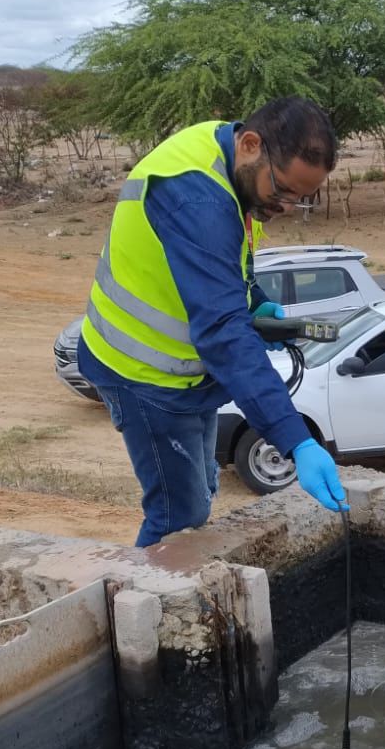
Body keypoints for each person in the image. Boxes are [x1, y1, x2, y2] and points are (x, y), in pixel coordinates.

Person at [76, 97, 349, 547]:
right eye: (281, 190)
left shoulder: (233, 165)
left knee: (201, 492)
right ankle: (147, 610)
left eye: (299, 199)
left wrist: (256, 302)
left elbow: (229, 264)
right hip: (143, 375)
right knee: (177, 516)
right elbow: (222, 332)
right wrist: (297, 443)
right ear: (250, 144)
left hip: (187, 373)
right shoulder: (195, 198)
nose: (283, 207)